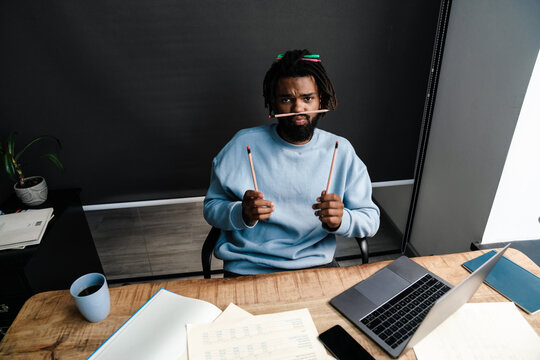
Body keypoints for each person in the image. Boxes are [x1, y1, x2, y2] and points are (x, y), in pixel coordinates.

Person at [203, 49, 380, 276]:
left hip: (316, 266)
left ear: (321, 101)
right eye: (287, 99)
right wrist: (241, 213)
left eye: (308, 98)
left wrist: (342, 220)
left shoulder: (340, 150)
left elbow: (370, 219)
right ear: (273, 104)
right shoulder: (242, 145)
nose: (298, 109)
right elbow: (211, 209)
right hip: (248, 268)